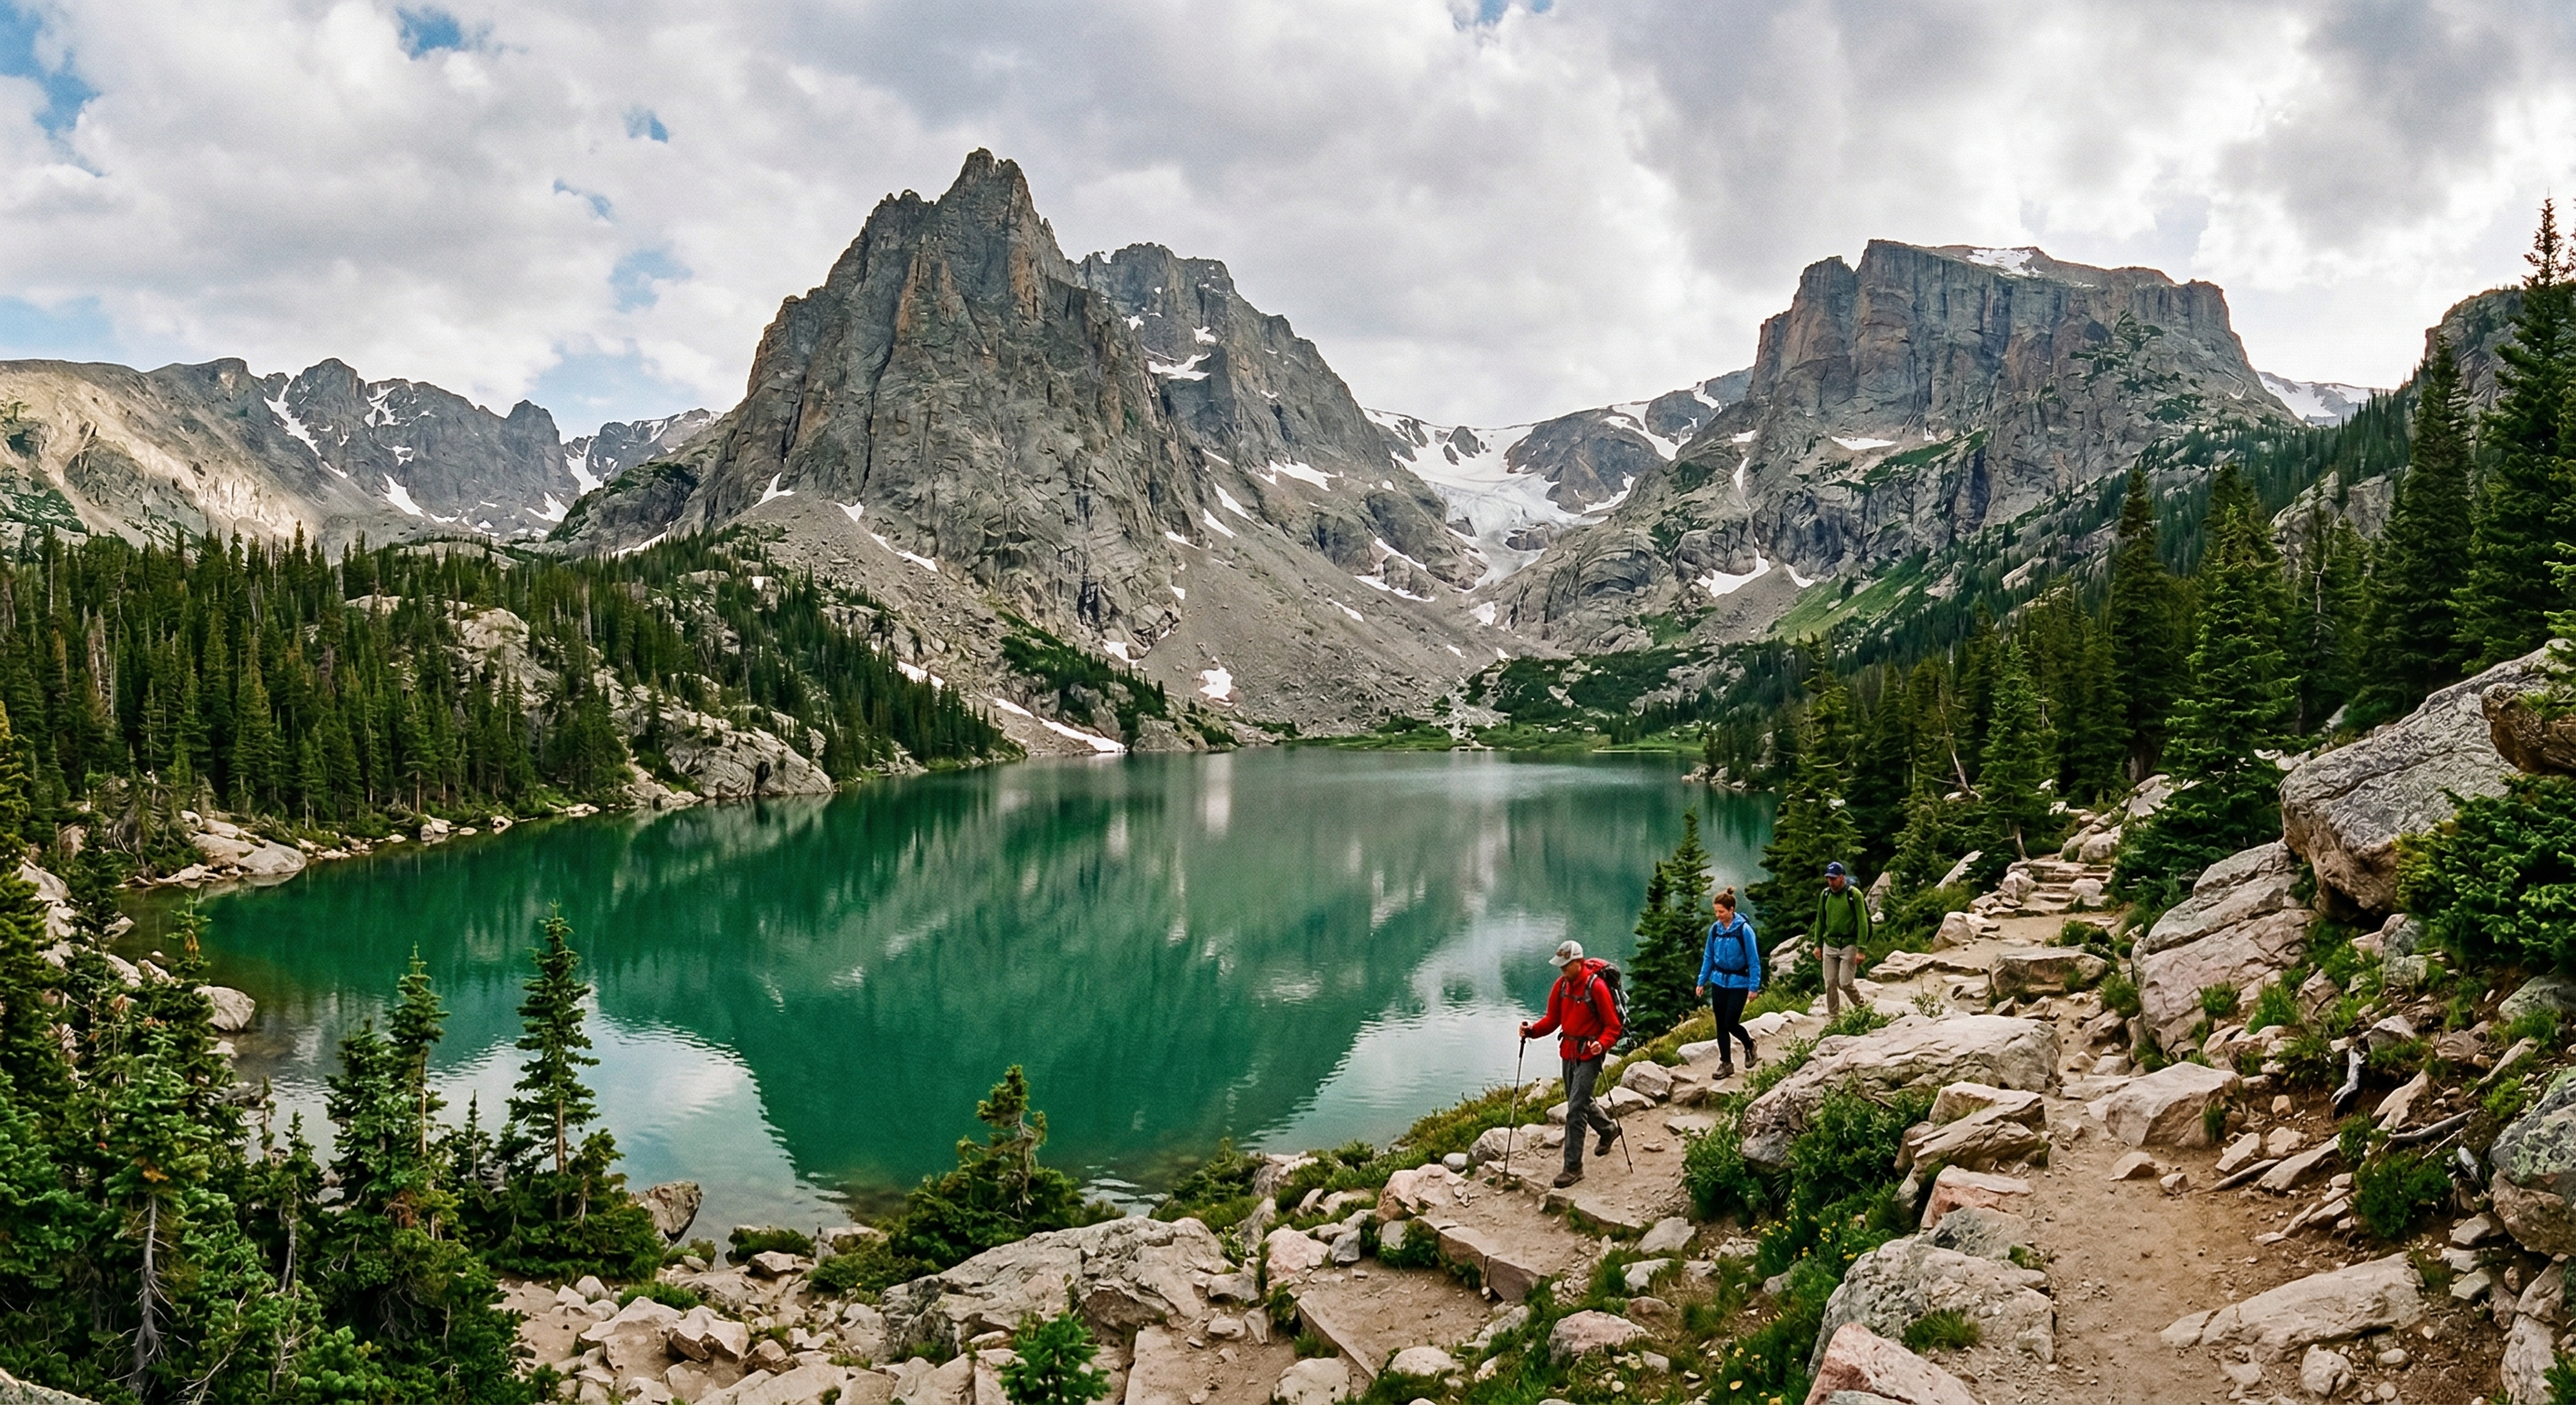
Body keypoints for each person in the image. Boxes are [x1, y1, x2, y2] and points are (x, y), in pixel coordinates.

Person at [1520, 938, 1622, 1188]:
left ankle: (1573, 1167)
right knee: (1580, 1100)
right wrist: (1531, 1031)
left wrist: (1603, 1043)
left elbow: (1613, 1026)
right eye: (1561, 966)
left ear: (1578, 962)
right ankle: (1608, 1129)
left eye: (1566, 965)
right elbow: (1552, 1019)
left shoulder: (1596, 987)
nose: (1562, 970)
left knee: (1575, 1108)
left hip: (1590, 1053)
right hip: (1568, 1051)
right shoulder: (1561, 986)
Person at [1692, 886, 1760, 1077]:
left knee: (1731, 1022)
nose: (1718, 915)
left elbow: (1753, 959)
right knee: (1720, 1024)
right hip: (1719, 981)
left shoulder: (1744, 930)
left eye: (1721, 911)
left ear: (1731, 910)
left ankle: (1749, 1044)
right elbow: (1709, 956)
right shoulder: (1715, 930)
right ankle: (1726, 1063)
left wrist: (1753, 987)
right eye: (1716, 911)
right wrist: (1701, 981)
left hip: (1739, 982)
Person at [1816, 860, 1871, 1018]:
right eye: (1828, 878)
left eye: (1833, 878)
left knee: (1845, 983)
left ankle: (1861, 1005)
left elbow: (1862, 922)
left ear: (1842, 877)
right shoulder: (1825, 895)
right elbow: (1820, 920)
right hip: (1830, 944)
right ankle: (1834, 1018)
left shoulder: (1854, 895)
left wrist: (1861, 949)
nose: (1830, 882)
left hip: (1849, 944)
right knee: (1830, 983)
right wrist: (1817, 944)